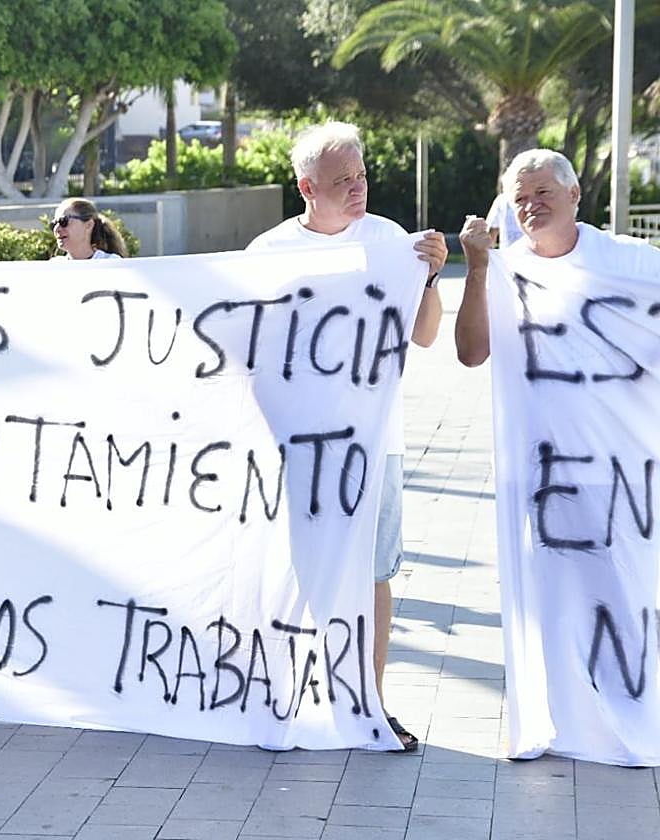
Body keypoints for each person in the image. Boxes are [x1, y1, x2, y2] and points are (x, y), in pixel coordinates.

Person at [247, 121, 447, 752]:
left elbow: (424, 334)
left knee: (374, 572)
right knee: (293, 567)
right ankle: (283, 696)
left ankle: (372, 702)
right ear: (306, 187)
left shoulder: (389, 240)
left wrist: (434, 278)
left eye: (362, 176)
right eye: (342, 182)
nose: (358, 189)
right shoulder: (268, 254)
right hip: (297, 449)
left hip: (375, 443)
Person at [457, 148, 660, 364]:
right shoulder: (503, 271)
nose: (531, 206)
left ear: (573, 194)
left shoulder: (632, 257)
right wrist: (477, 270)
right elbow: (471, 354)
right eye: (519, 199)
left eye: (543, 192)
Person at [50, 198, 127, 260]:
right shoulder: (54, 267)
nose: (56, 229)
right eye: (54, 224)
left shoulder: (111, 263)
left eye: (63, 221)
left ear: (89, 225)